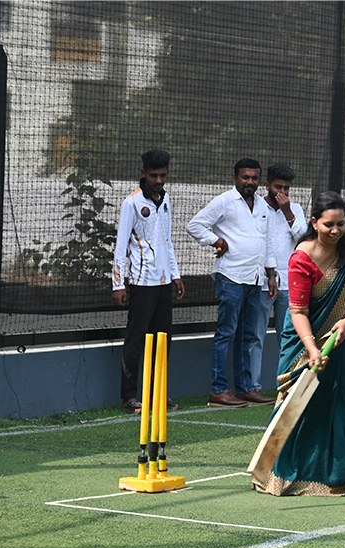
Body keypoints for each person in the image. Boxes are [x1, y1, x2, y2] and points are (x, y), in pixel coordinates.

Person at [252, 191, 345, 498]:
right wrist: (313, 350)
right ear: (314, 223)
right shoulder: (301, 258)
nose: (335, 231)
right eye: (328, 224)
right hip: (304, 340)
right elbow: (299, 312)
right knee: (298, 404)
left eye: (340, 224)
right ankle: (277, 476)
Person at [187, 158, 278, 408]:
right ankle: (219, 390)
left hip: (255, 279)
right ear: (235, 177)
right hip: (231, 278)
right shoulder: (224, 201)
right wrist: (217, 241)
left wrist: (271, 274)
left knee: (247, 335)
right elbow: (195, 226)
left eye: (254, 178)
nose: (250, 182)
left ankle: (246, 389)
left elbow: (267, 241)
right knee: (226, 333)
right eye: (245, 177)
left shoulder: (262, 205)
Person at [113, 149, 185, 413]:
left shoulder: (166, 200)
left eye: (163, 175)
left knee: (163, 340)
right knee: (136, 340)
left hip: (164, 283)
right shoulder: (131, 203)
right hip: (141, 283)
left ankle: (158, 394)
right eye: (153, 175)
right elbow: (121, 246)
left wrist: (175, 274)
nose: (158, 180)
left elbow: (167, 241)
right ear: (143, 173)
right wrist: (118, 284)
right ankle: (129, 397)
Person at [261, 163, 308, 338]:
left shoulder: (295, 209)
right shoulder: (257, 207)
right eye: (278, 187)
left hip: (288, 283)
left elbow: (304, 239)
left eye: (286, 188)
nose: (282, 192)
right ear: (268, 186)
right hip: (262, 283)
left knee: (288, 335)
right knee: (255, 335)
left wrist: (288, 212)